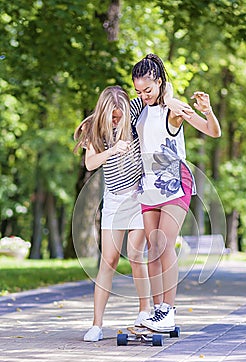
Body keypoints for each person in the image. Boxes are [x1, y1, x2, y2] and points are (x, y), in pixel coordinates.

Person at [131, 53, 221, 332]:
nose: (143, 95)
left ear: (159, 82)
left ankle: (169, 310)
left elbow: (213, 132)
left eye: (148, 89)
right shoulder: (140, 108)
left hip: (174, 182)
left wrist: (206, 109)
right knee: (151, 252)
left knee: (163, 245)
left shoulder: (174, 108)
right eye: (138, 91)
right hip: (148, 185)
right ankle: (156, 310)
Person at [74, 86, 151, 341]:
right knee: (109, 260)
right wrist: (113, 150)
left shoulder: (134, 109)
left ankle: (144, 312)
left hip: (140, 196)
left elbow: (160, 91)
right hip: (115, 201)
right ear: (105, 112)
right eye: (113, 117)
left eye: (120, 116)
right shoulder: (94, 129)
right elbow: (90, 163)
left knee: (137, 254)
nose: (117, 121)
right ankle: (96, 325)